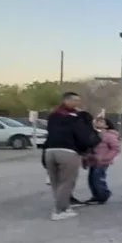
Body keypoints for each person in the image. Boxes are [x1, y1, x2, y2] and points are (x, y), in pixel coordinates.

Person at [43, 92, 100, 220]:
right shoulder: (75, 118)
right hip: (67, 151)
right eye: (75, 100)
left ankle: (63, 205)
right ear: (66, 100)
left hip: (49, 151)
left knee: (56, 182)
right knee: (67, 181)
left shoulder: (53, 117)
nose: (77, 103)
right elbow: (83, 136)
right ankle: (59, 211)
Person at [85, 117, 121, 205]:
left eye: (101, 122)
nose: (98, 123)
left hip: (102, 161)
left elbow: (115, 148)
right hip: (92, 160)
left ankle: (103, 195)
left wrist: (106, 158)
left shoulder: (109, 135)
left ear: (106, 125)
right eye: (97, 121)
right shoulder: (92, 135)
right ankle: (96, 196)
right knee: (91, 179)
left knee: (97, 178)